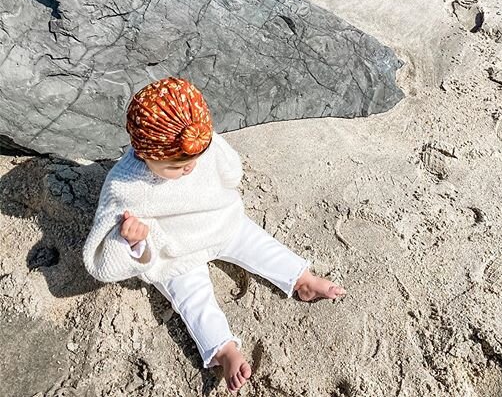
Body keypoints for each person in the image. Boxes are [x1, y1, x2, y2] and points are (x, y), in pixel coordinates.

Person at [83, 77, 346, 392]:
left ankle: (300, 278)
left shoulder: (199, 141)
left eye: (194, 161)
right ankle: (223, 349)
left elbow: (230, 169)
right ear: (143, 153)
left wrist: (208, 162)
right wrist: (135, 241)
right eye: (176, 167)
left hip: (218, 223)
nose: (189, 169)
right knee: (194, 299)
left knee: (258, 244)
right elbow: (102, 261)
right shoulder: (124, 186)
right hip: (175, 251)